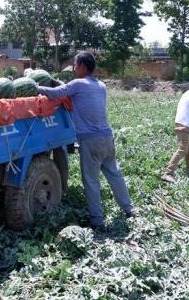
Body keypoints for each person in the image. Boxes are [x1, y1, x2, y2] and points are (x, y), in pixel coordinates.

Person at [37, 51, 136, 232]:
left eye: (75, 65)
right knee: (115, 174)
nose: (74, 69)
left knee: (91, 181)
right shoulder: (101, 85)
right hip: (107, 137)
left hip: (90, 141)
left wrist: (36, 87)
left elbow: (56, 93)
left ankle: (97, 220)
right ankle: (129, 209)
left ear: (82, 66)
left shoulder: (78, 84)